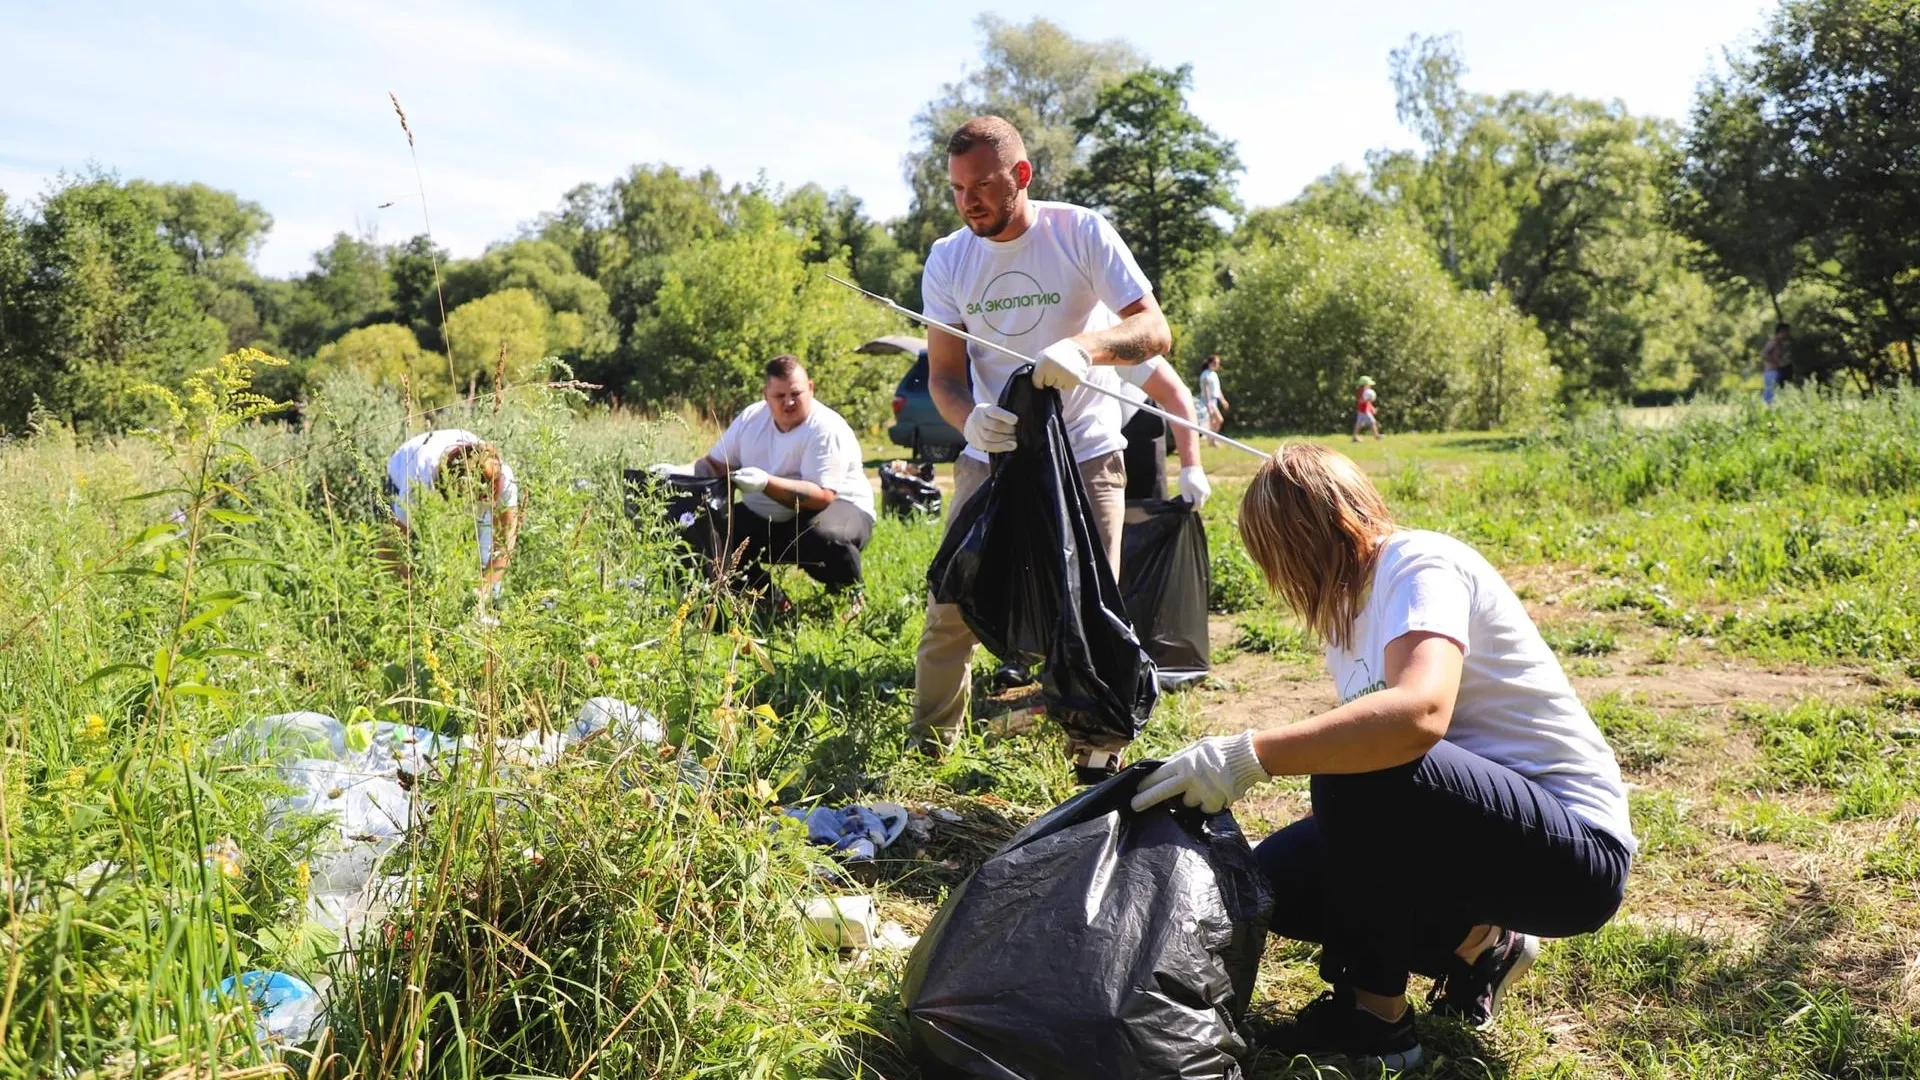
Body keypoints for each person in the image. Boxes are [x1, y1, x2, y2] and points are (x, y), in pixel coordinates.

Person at [1133, 444, 1635, 1071]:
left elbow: (1419, 715)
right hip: (1487, 839)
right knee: (1274, 884)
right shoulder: (1350, 621)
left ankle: (1375, 1021)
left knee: (1366, 771)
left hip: (1573, 855)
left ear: (1314, 535)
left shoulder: (1420, 564)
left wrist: (1248, 755)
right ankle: (1479, 945)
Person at [912, 114, 1174, 783]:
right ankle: (928, 748)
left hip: (1086, 453)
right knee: (954, 600)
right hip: (991, 458)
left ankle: (1096, 755)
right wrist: (969, 422)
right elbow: (943, 376)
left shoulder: (1079, 232)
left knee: (1092, 610)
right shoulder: (949, 259)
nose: (967, 200)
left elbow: (1153, 329)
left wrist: (1085, 350)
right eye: (956, 188)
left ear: (1021, 175)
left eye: (981, 185)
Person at [656, 355, 875, 607]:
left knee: (824, 536)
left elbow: (821, 496)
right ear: (765, 394)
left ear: (811, 389)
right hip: (772, 515)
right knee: (711, 530)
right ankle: (771, 603)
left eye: (796, 393)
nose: (789, 402)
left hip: (840, 508)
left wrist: (765, 484)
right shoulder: (751, 419)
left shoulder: (825, 428)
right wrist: (675, 472)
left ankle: (852, 597)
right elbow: (714, 465)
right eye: (779, 396)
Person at [385, 429, 520, 603]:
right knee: (420, 561)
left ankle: (490, 614)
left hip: (456, 475)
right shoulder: (417, 484)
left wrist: (482, 591)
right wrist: (414, 596)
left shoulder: (505, 479)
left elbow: (503, 547)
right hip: (402, 470)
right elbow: (394, 542)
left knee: (489, 572)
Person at [1117, 354, 1211, 506]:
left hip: (1138, 426)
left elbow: (1174, 392)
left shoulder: (1111, 335)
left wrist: (1191, 467)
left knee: (1146, 517)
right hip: (1077, 443)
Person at [1198, 354, 1228, 446]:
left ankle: (1211, 441)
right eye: (1215, 363)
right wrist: (1209, 403)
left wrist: (1223, 400)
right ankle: (1212, 440)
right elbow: (1206, 389)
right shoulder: (1205, 374)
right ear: (1210, 363)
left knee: (1214, 422)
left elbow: (1217, 390)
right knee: (1219, 420)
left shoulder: (1214, 374)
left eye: (1218, 363)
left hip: (1214, 400)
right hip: (1208, 401)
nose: (1217, 365)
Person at [1761, 322, 1791, 405]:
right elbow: (1763, 354)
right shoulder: (1773, 342)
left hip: (1777, 371)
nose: (1788, 334)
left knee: (1776, 395)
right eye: (1786, 331)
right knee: (1769, 395)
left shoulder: (1780, 343)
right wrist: (1777, 362)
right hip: (1771, 372)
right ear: (1781, 332)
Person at [1353, 375, 1381, 441]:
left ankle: (1355, 437)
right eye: (1369, 384)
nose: (1370, 386)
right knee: (1372, 422)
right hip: (1363, 411)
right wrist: (1367, 400)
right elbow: (1360, 401)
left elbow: (1368, 403)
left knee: (1361, 424)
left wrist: (1372, 408)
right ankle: (1377, 435)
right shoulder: (1361, 392)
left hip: (1366, 410)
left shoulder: (1367, 391)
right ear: (1364, 384)